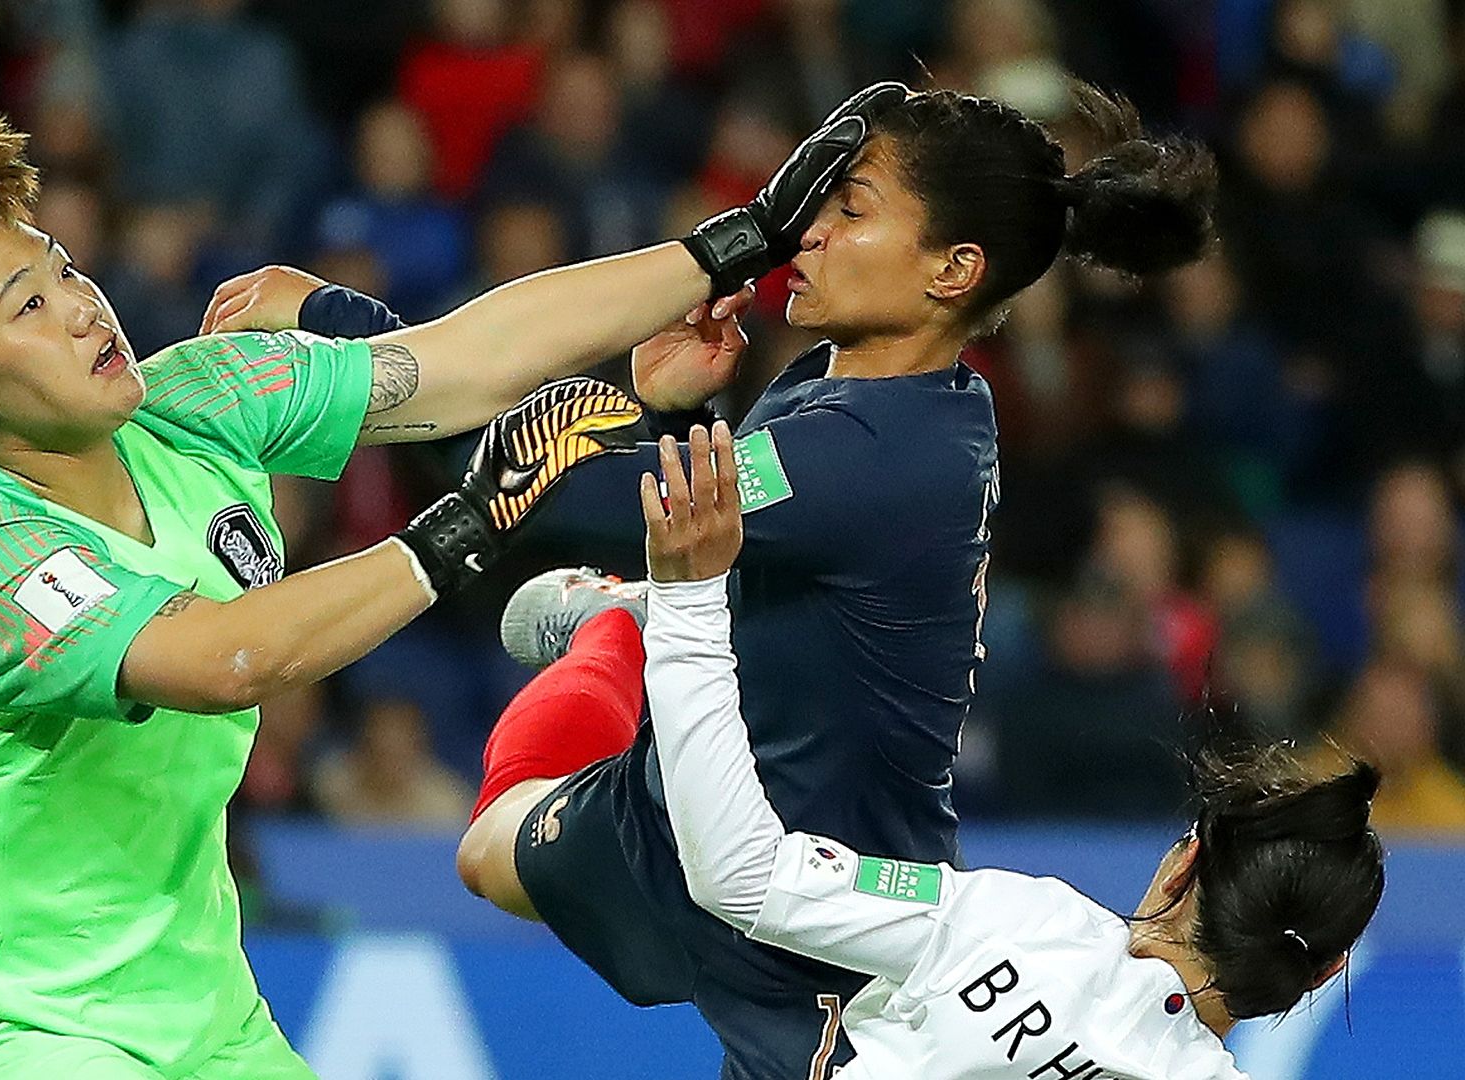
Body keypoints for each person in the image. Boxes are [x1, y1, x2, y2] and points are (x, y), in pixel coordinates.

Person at [0, 101, 874, 1080]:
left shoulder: (193, 398)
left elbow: (467, 361)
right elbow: (220, 658)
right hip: (5, 1028)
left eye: (64, 266)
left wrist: (738, 240)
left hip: (196, 1010)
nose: (79, 307)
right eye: (27, 306)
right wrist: (456, 531)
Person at [212, 82, 1216, 1077]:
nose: (812, 232)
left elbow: (531, 475)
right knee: (489, 855)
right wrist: (671, 413)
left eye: (852, 210)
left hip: (823, 907)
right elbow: (696, 504)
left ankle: (622, 626)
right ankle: (633, 619)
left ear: (953, 270)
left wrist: (333, 319)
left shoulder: (883, 451)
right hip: (700, 800)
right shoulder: (869, 391)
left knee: (498, 838)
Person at [633, 423, 1385, 1078]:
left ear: (1183, 862)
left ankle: (611, 642)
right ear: (1323, 973)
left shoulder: (1021, 921)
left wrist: (689, 598)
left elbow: (743, 876)